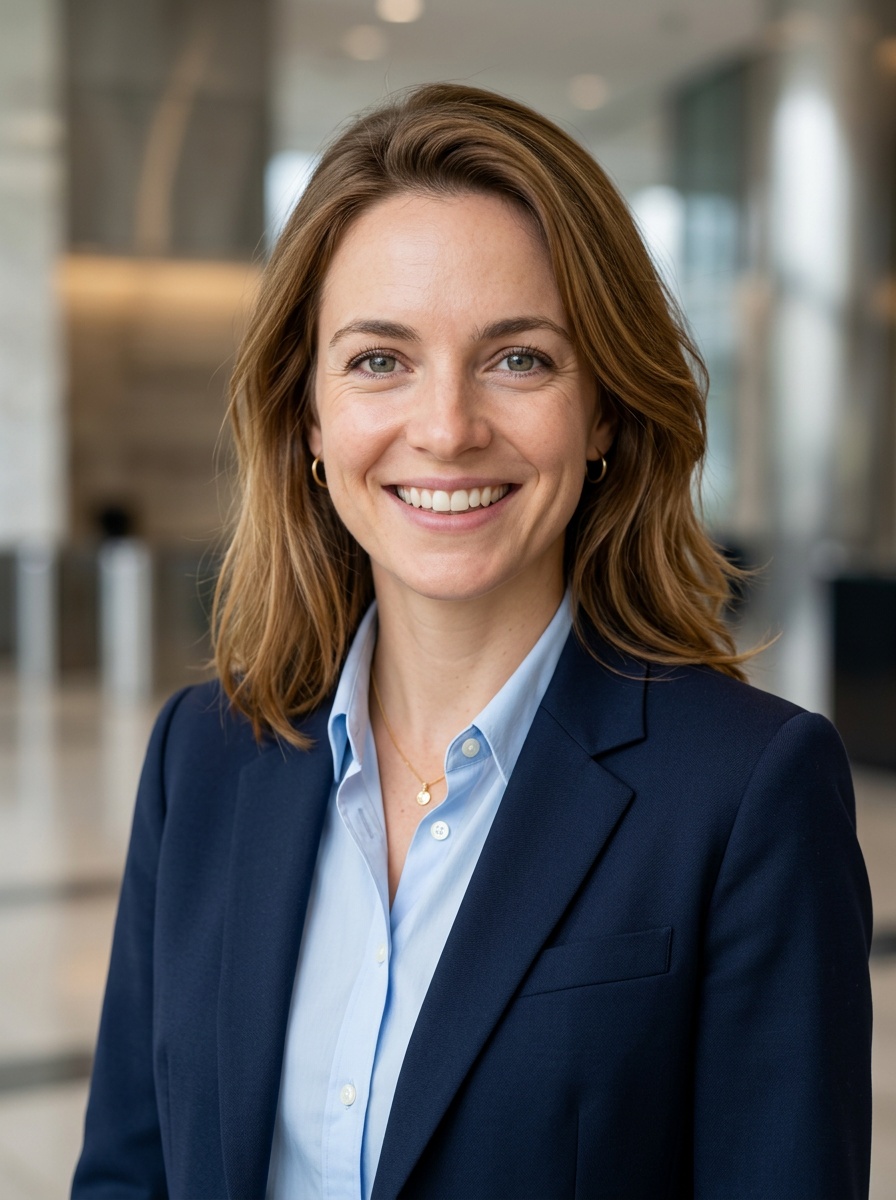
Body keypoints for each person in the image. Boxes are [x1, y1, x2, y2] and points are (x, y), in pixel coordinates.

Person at [72, 83, 872, 1200]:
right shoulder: (203, 758)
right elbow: (128, 1172)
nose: (445, 428)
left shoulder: (745, 794)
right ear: (306, 416)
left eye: (518, 359)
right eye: (377, 360)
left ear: (602, 411)